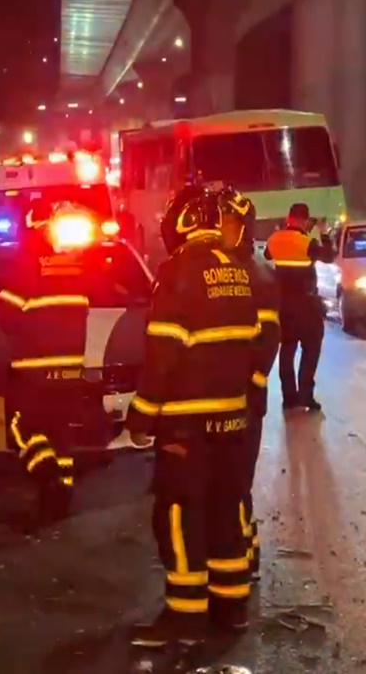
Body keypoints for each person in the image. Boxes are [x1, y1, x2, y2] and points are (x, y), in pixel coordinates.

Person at [127, 187, 260, 647]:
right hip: (233, 421)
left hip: (187, 425)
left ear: (181, 222)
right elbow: (254, 342)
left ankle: (184, 617)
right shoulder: (238, 269)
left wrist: (141, 416)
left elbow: (163, 351)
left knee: (180, 517)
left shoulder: (178, 270)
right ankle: (231, 608)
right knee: (227, 512)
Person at [0, 206, 85, 526]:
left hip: (34, 367)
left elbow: (8, 311)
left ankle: (49, 480)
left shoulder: (25, 265)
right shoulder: (75, 264)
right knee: (60, 436)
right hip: (71, 368)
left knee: (20, 430)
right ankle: (61, 496)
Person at [217, 189, 281, 581]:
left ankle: (244, 554)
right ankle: (244, 548)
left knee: (236, 478)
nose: (223, 231)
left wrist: (253, 383)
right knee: (231, 479)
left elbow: (269, 337)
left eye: (230, 225)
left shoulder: (255, 273)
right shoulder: (224, 268)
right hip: (227, 395)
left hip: (245, 398)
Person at [264, 203, 334, 411]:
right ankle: (305, 394)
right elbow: (329, 256)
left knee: (286, 351)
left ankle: (289, 398)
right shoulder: (307, 242)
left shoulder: (275, 239)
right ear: (305, 220)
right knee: (311, 348)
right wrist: (323, 232)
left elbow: (267, 255)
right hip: (306, 305)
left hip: (283, 305)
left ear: (288, 218)